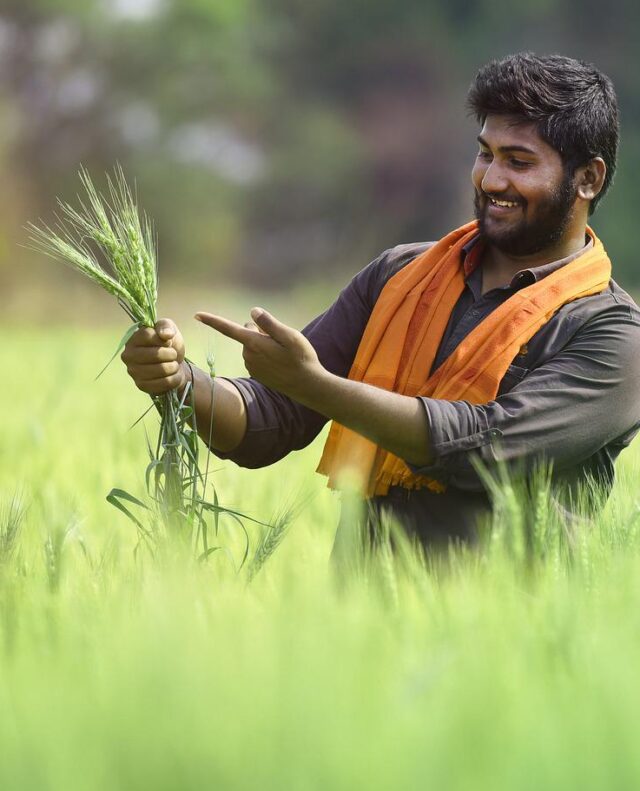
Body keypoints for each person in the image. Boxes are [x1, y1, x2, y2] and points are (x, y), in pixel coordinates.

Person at [121, 52, 640, 550]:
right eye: (486, 153)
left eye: (520, 162)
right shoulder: (401, 276)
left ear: (587, 179)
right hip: (362, 627)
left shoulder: (613, 334)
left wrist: (319, 387)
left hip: (509, 634)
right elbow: (270, 419)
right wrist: (182, 381)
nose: (492, 179)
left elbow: (485, 447)